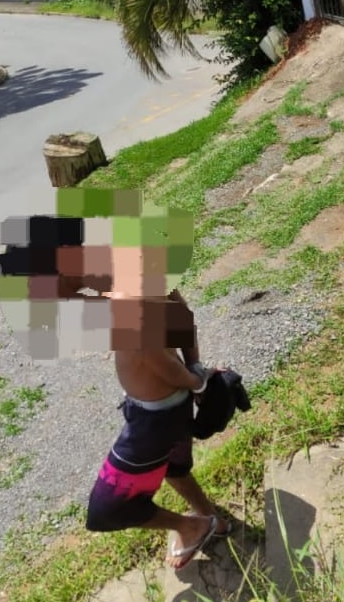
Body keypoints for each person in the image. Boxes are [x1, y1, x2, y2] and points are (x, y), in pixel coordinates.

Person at [84, 241, 233, 569]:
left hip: (153, 423)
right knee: (173, 467)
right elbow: (184, 321)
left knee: (108, 508)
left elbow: (166, 367)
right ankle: (211, 519)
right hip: (171, 409)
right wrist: (197, 371)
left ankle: (191, 526)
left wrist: (196, 381)